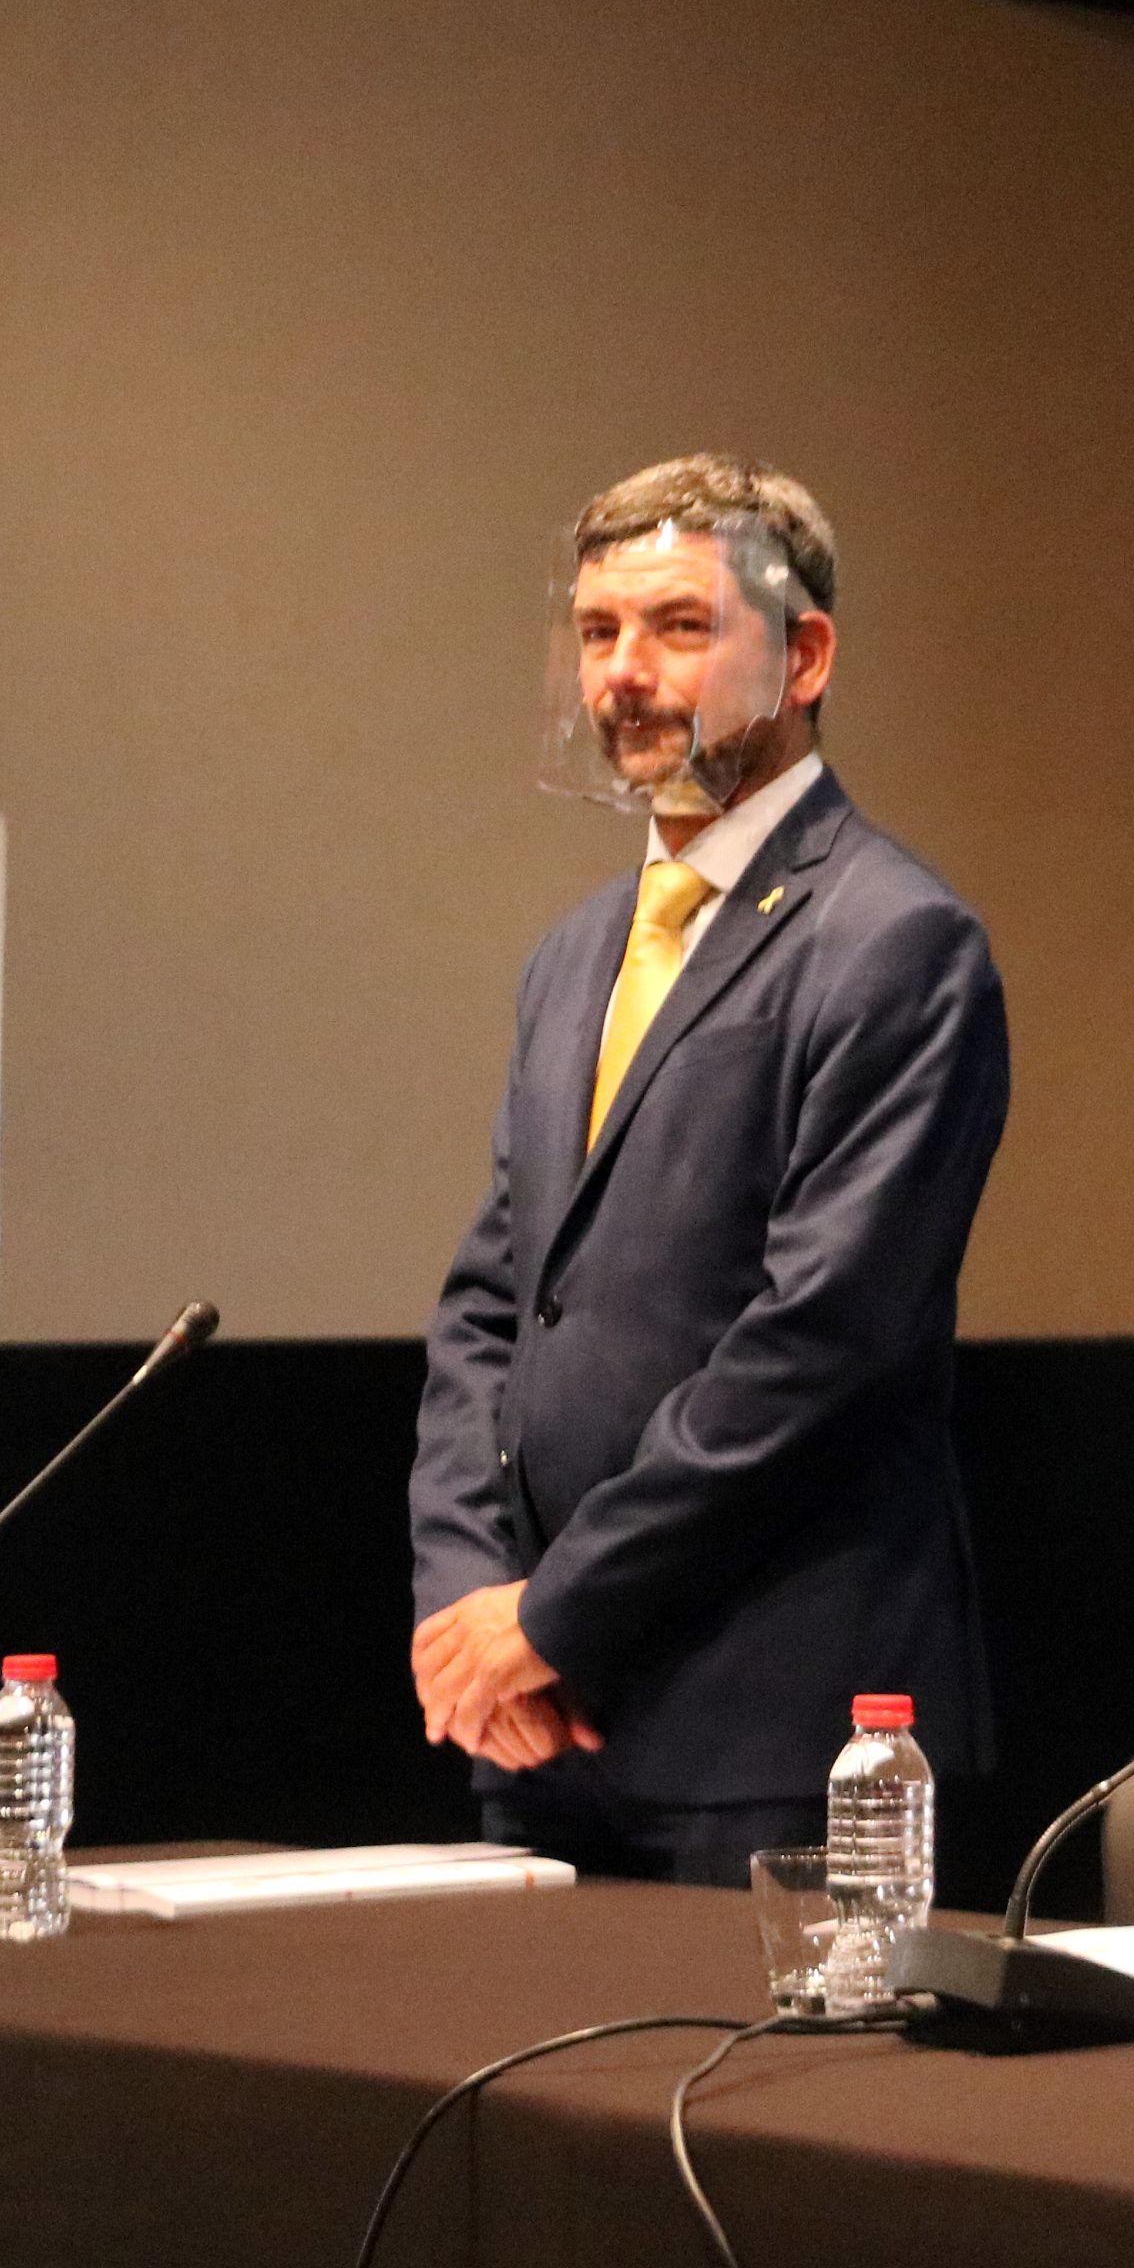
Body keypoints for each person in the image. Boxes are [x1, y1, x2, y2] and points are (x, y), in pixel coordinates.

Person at [407, 456, 1010, 1887]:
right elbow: (494, 1309)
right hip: (547, 1728)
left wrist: (556, 1614)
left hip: (783, 1737)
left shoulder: (896, 941)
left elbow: (820, 1347)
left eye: (679, 627)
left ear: (803, 654)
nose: (625, 673)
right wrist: (470, 1604)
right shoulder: (571, 959)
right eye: (599, 630)